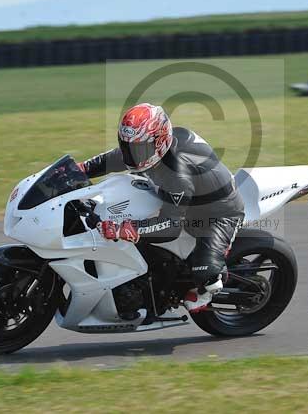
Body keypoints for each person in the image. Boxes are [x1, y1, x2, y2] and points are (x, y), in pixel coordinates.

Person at [78, 103, 244, 313]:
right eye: (127, 146)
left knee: (205, 271)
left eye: (138, 149)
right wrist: (79, 170)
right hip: (186, 197)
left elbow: (171, 227)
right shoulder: (148, 149)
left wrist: (126, 229)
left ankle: (210, 285)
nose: (131, 155)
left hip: (218, 213)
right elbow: (115, 158)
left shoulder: (177, 174)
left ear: (159, 142)